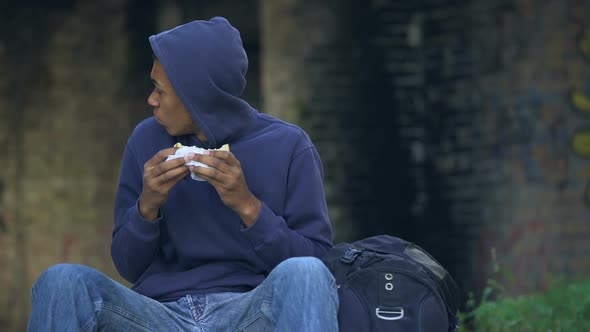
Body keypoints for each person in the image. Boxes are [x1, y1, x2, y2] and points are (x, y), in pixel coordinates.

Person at [27, 16, 338, 331]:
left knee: (306, 273)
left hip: (251, 310)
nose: (151, 100)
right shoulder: (145, 140)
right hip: (157, 315)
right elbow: (128, 266)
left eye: (160, 90)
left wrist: (247, 206)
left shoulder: (288, 145)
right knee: (62, 280)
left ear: (197, 97)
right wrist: (147, 206)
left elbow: (317, 265)